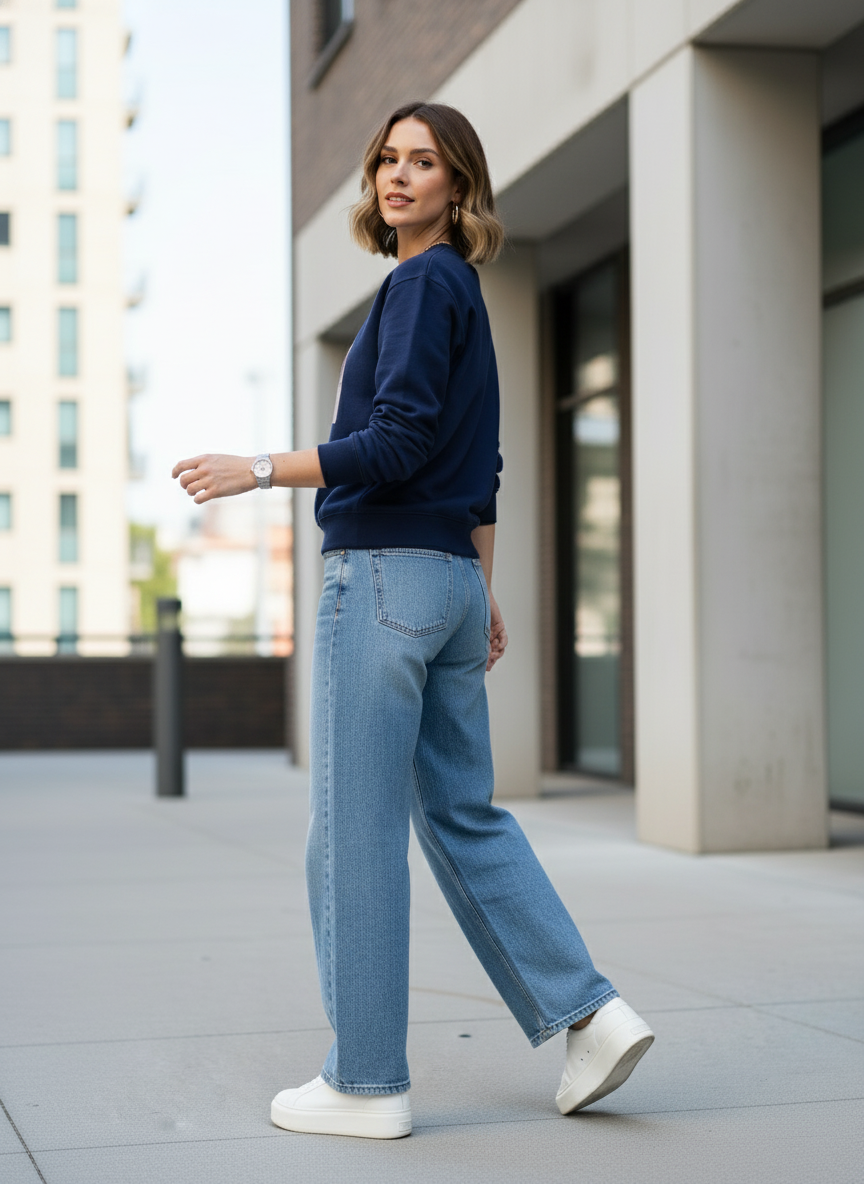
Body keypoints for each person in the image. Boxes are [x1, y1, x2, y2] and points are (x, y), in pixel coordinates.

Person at [172, 101, 653, 1141]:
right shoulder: (463, 295)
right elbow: (481, 473)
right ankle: (592, 1013)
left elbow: (392, 446)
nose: (398, 175)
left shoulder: (420, 284)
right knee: (463, 814)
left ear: (457, 185)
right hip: (444, 586)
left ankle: (367, 1079)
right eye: (387, 159)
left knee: (351, 835)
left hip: (382, 584)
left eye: (422, 162)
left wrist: (256, 468)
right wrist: (482, 594)